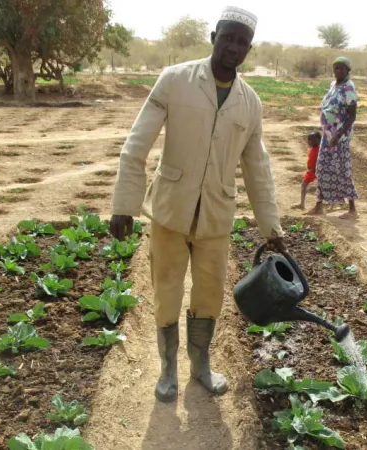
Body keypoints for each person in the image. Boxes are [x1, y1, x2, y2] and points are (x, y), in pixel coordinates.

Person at [109, 6, 285, 403]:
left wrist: (271, 229)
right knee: (166, 291)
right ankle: (168, 368)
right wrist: (124, 204)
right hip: (170, 211)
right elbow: (137, 144)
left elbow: (258, 169)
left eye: (242, 42)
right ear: (213, 36)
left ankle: (200, 364)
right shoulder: (175, 81)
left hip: (215, 218)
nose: (233, 47)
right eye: (228, 37)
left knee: (209, 294)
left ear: (249, 49)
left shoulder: (250, 103)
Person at [307, 57, 359, 220]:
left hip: (339, 138)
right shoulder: (333, 85)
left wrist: (338, 134)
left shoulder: (349, 88)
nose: (338, 71)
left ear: (348, 70)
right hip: (327, 135)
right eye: (335, 68)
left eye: (341, 68)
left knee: (342, 171)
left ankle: (352, 209)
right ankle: (319, 205)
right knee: (321, 169)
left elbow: (352, 117)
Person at [292, 131, 321, 210]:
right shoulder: (311, 149)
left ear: (319, 140)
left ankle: (326, 205)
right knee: (304, 185)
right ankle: (302, 204)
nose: (312, 141)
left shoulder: (321, 150)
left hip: (318, 171)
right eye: (310, 140)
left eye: (314, 139)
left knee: (320, 188)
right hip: (310, 172)